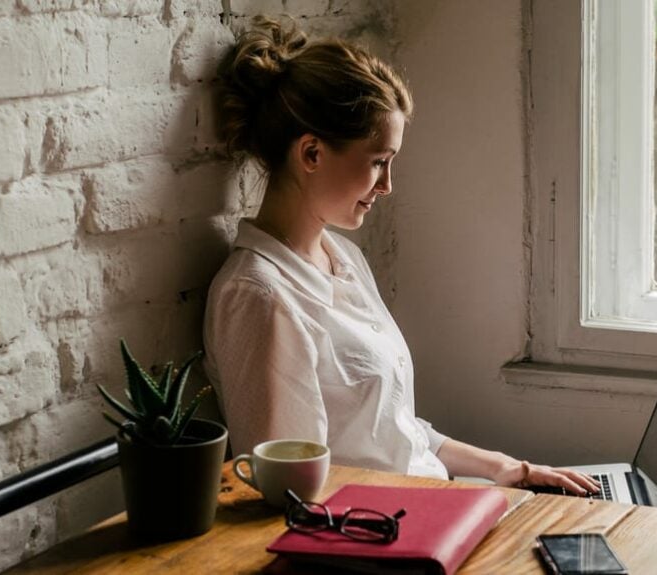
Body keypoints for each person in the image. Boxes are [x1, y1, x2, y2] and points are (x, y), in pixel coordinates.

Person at [203, 15, 600, 496]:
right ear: (311, 153)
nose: (388, 186)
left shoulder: (342, 258)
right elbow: (287, 491)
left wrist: (506, 468)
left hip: (434, 502)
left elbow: (393, 430)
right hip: (387, 533)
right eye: (377, 163)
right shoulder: (260, 296)